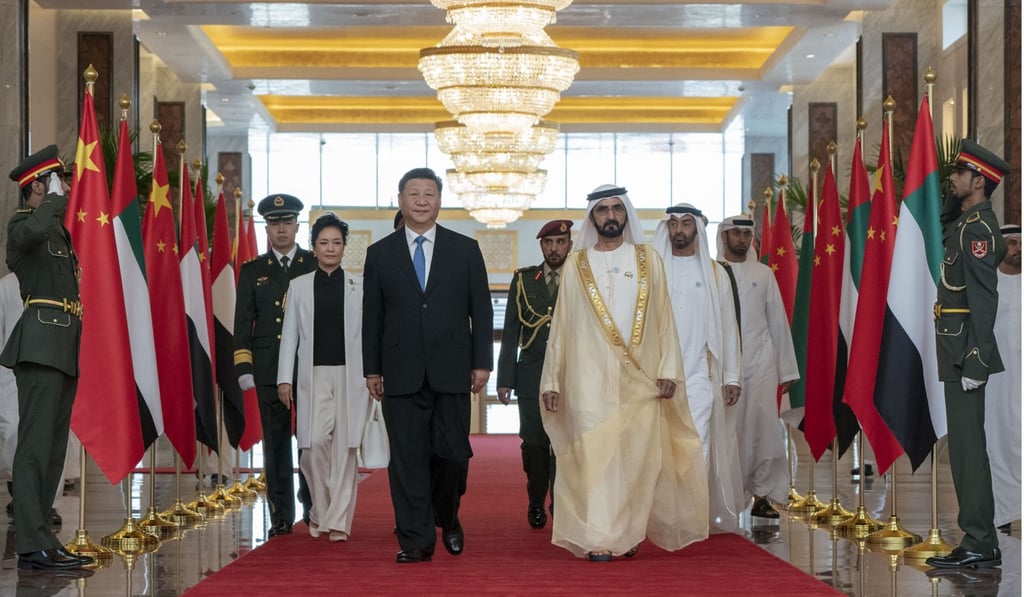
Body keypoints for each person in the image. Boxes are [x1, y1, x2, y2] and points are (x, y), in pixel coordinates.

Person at [539, 184, 708, 561]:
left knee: (634, 457)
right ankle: (599, 536)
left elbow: (665, 320)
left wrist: (668, 369)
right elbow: (561, 328)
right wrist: (552, 379)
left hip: (641, 378)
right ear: (592, 218)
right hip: (586, 379)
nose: (610, 216)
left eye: (617, 209)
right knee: (591, 458)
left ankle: (628, 531)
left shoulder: (648, 260)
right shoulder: (576, 265)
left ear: (626, 213)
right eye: (602, 210)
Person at [362, 167, 493, 564]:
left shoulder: (465, 249)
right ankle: (416, 539)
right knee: (406, 459)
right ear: (400, 200)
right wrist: (372, 369)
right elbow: (373, 318)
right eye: (413, 194)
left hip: (452, 370)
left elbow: (482, 312)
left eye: (429, 194)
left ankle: (448, 516)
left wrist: (482, 363)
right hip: (400, 373)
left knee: (452, 454)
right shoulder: (380, 254)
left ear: (440, 200)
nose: (421, 200)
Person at [0, 146, 92, 570]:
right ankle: (30, 543)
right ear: (37, 184)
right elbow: (28, 236)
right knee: (34, 447)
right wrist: (51, 202)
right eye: (59, 181)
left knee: (55, 449)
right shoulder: (23, 225)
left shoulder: (57, 231)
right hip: (39, 344)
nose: (68, 189)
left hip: (64, 345)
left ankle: (45, 540)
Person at [926, 139, 1011, 570]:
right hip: (955, 350)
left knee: (968, 449)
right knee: (962, 448)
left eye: (959, 173)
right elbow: (945, 221)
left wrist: (977, 360)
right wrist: (953, 199)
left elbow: (984, 300)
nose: (951, 179)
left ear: (979, 181)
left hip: (965, 355)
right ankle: (979, 538)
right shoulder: (965, 224)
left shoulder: (978, 230)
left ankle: (980, 538)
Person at [278, 213, 370, 542]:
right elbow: (289, 336)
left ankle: (339, 522)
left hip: (352, 377)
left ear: (345, 247)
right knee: (312, 445)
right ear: (313, 248)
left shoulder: (360, 285)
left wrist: (376, 374)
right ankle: (320, 510)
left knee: (345, 449)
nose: (330, 248)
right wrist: (283, 378)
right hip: (312, 377)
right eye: (323, 243)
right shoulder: (299, 286)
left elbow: (371, 335)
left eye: (336, 242)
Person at [652, 204, 744, 533]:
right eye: (674, 224)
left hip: (700, 374)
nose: (679, 230)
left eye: (686, 224)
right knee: (660, 446)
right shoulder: (654, 270)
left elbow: (728, 327)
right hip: (657, 375)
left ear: (696, 229)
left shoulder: (715, 273)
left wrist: (731, 375)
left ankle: (692, 515)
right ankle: (661, 514)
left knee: (698, 442)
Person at [234, 193, 316, 538]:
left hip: (308, 367)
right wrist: (244, 366)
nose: (281, 229)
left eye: (287, 222)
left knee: (310, 442)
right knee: (276, 443)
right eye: (274, 223)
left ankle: (313, 507)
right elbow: (243, 323)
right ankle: (280, 513)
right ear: (266, 228)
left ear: (298, 225)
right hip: (269, 368)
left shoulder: (313, 264)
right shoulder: (254, 271)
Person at [716, 215, 799, 519]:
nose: (741, 239)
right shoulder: (712, 272)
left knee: (764, 429)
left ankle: (763, 495)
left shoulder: (763, 274)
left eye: (745, 234)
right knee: (730, 430)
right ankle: (726, 496)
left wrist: (786, 370)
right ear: (723, 237)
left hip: (761, 362)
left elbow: (777, 321)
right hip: (723, 367)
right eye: (735, 233)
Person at [497, 219, 572, 530]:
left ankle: (562, 502)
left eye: (560, 242)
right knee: (536, 443)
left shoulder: (581, 279)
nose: (554, 248)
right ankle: (536, 499)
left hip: (571, 375)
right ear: (541, 246)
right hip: (532, 376)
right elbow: (511, 331)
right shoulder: (525, 279)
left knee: (566, 444)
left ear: (569, 244)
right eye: (548, 243)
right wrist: (504, 379)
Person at [985, 224, 1020, 532]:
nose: (1018, 249)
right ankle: (1004, 514)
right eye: (1011, 243)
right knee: (999, 443)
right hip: (996, 384)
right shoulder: (986, 284)